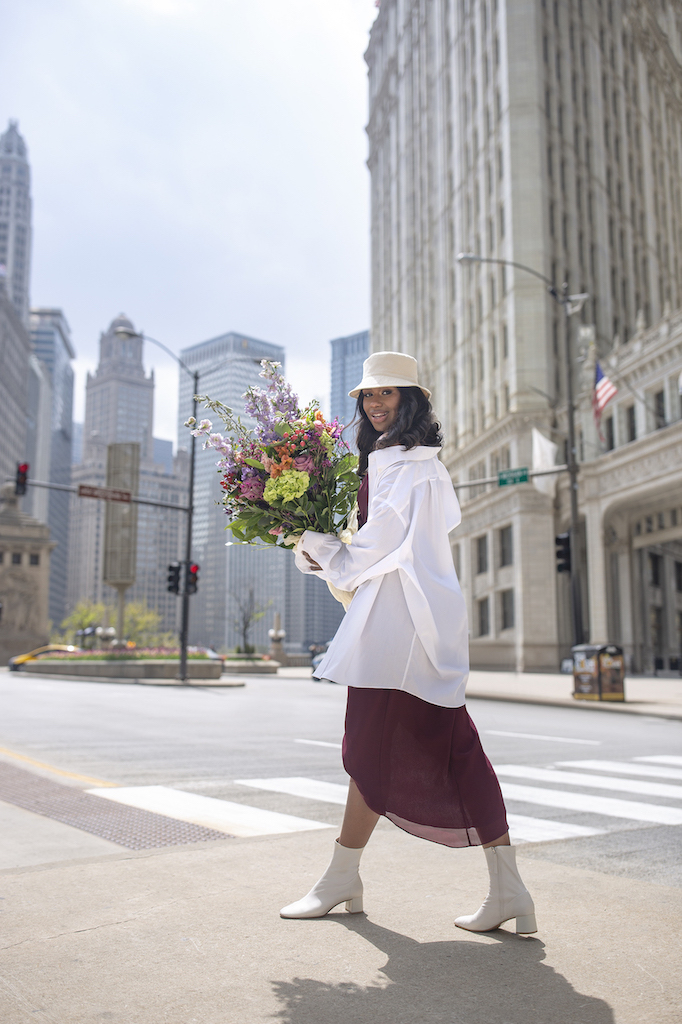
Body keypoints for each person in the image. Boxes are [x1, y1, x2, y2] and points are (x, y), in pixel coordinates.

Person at [280, 351, 536, 935]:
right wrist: (318, 546)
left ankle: (342, 879)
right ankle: (509, 890)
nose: (375, 403)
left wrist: (319, 546)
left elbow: (383, 543)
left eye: (388, 394)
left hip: (402, 624)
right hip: (405, 618)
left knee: (372, 748)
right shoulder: (390, 461)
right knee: (450, 750)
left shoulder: (413, 465)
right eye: (369, 396)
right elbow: (372, 546)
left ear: (411, 401)